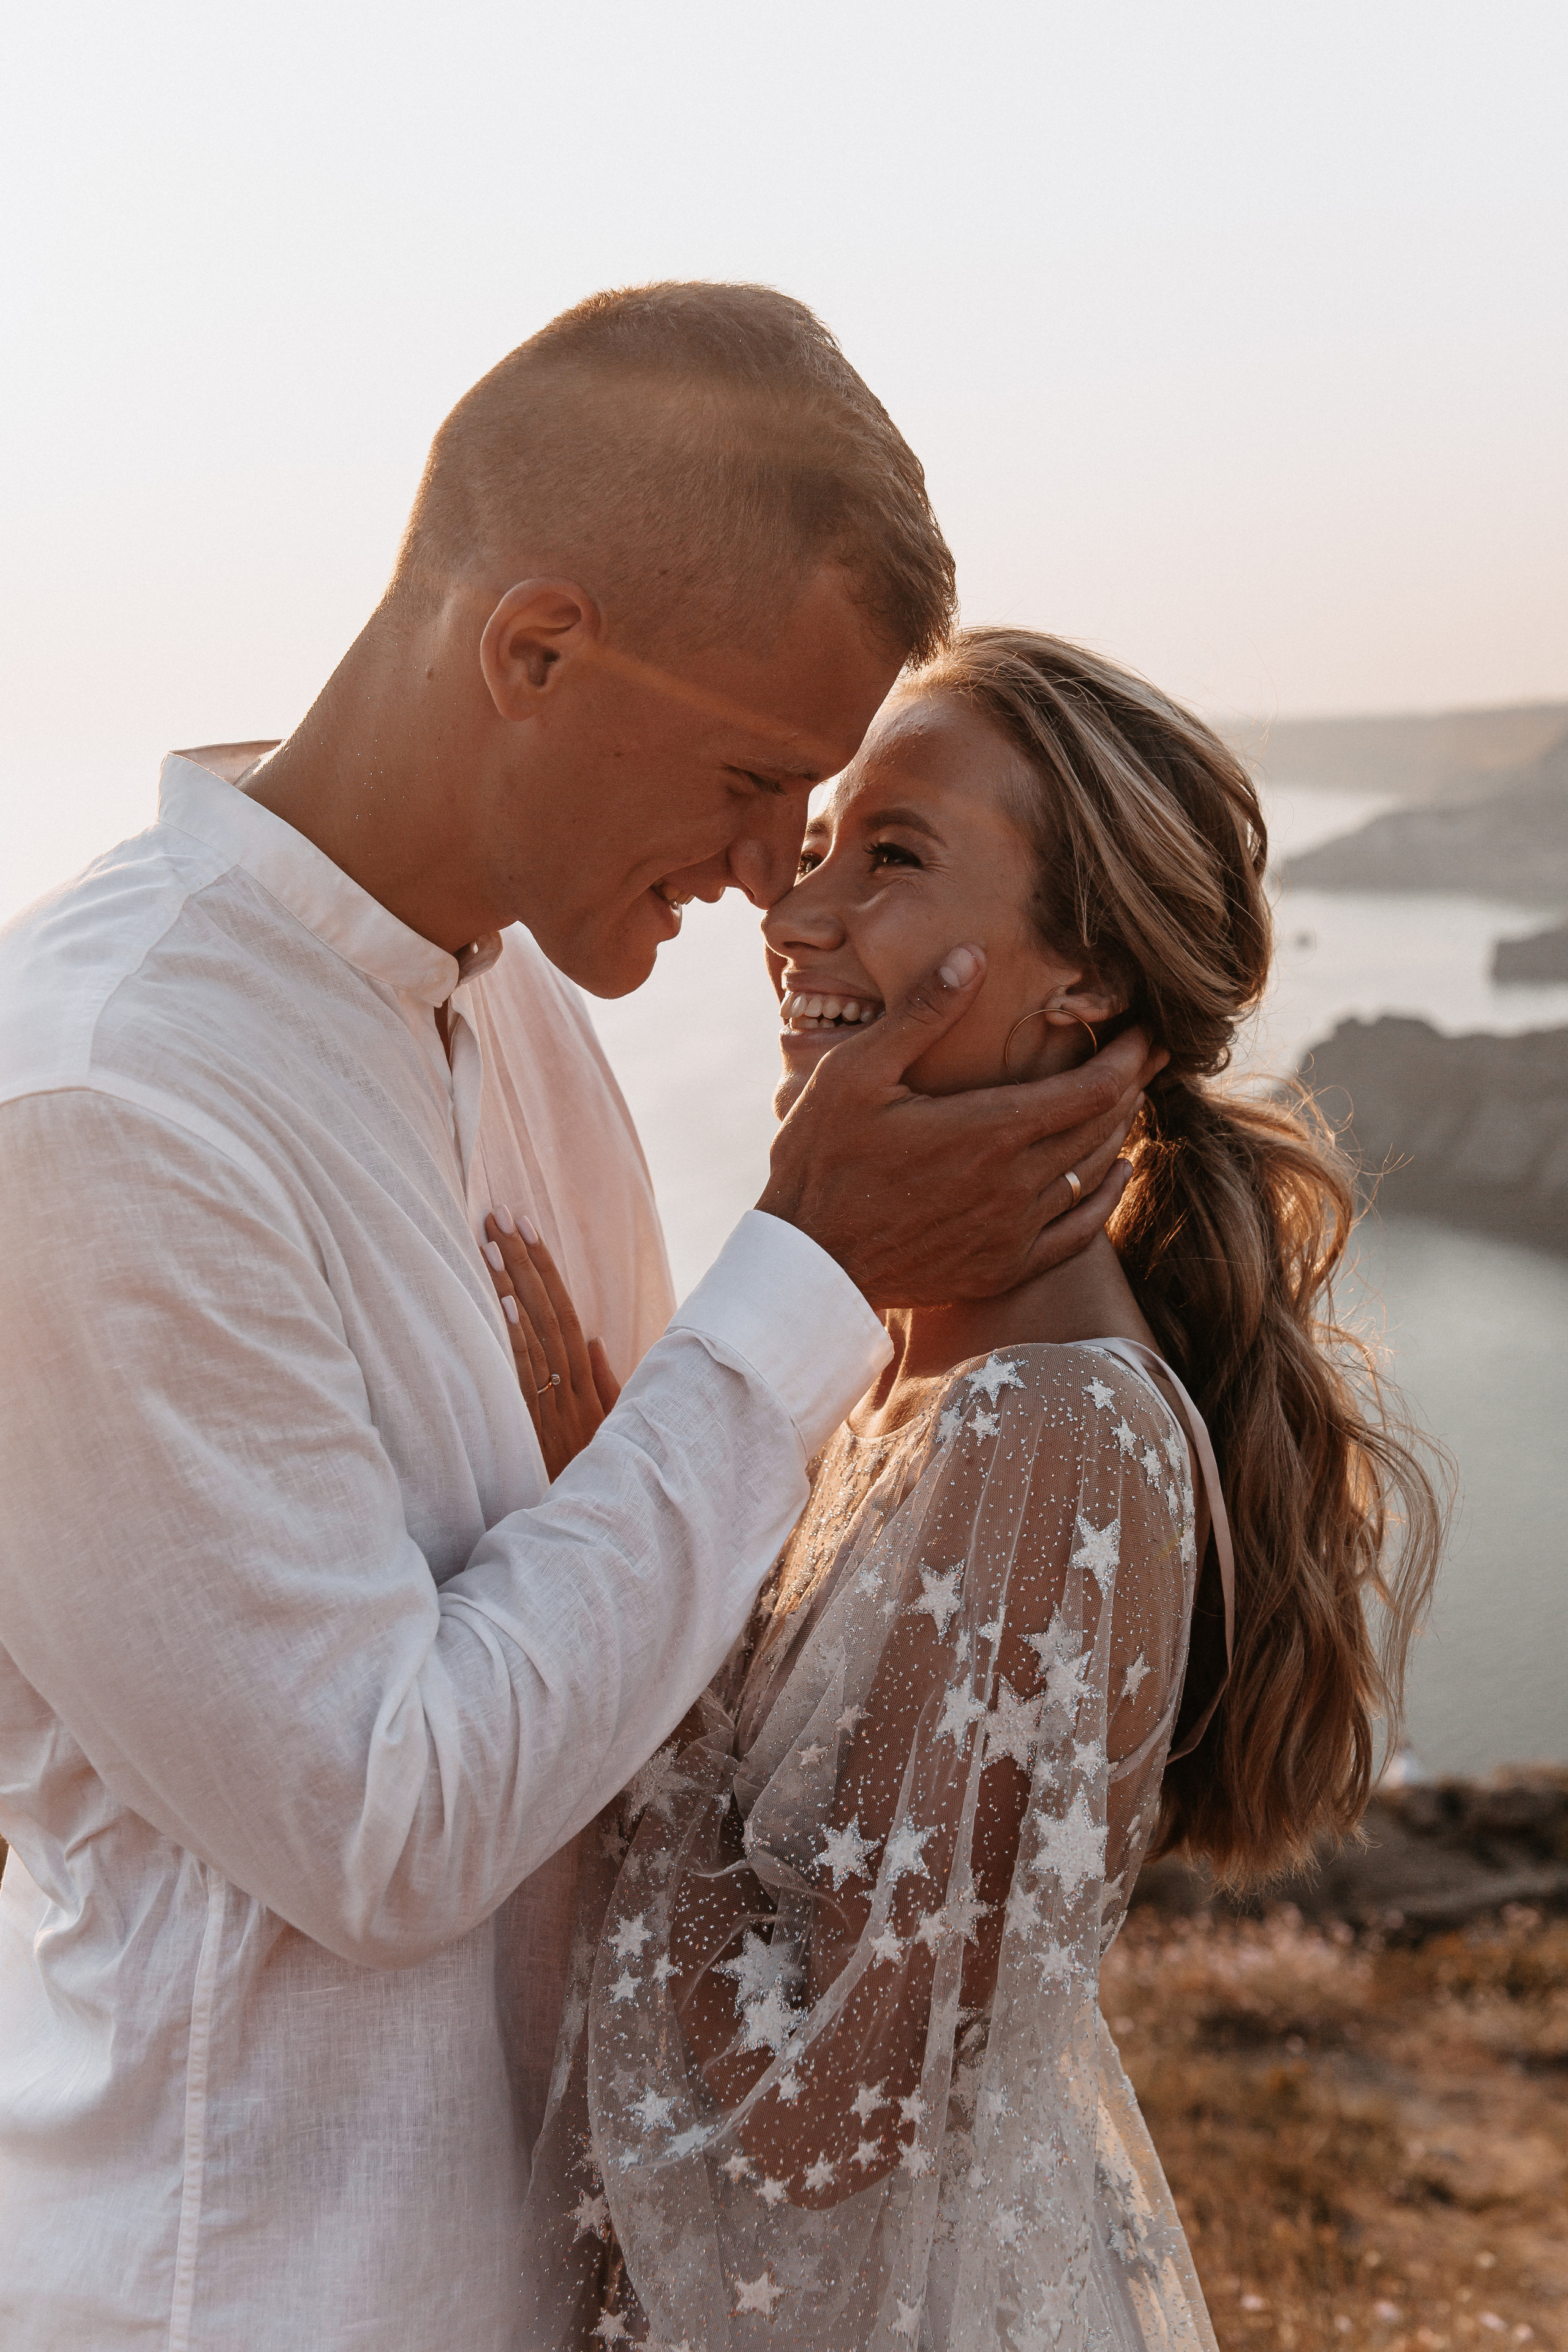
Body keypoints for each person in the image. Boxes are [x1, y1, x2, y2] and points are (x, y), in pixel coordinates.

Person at [0, 291, 1153, 2350]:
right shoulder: (105, 1102)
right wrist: (802, 1270)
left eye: (827, 809)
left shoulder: (525, 1009)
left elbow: (645, 1620)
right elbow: (381, 1822)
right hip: (265, 2294)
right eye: (752, 774)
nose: (772, 873)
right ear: (531, 650)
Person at [499, 628, 1446, 2350]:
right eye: (822, 851)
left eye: (897, 856)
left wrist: (618, 1573)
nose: (796, 917)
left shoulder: (1049, 1439)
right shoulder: (904, 1375)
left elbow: (825, 2117)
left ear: (1082, 983)